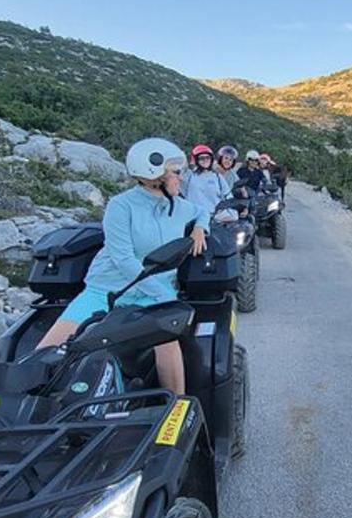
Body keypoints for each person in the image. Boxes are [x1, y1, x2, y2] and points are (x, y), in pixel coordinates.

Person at [37, 137, 208, 394]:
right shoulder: (121, 205)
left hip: (154, 293)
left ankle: (176, 404)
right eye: (176, 173)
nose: (180, 178)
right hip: (107, 290)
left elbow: (201, 212)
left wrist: (199, 229)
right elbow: (123, 259)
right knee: (46, 352)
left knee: (168, 344)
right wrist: (165, 296)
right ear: (155, 176)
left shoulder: (180, 206)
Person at [181, 143, 231, 219]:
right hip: (193, 218)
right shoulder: (189, 175)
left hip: (214, 219)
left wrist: (231, 213)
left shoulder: (217, 177)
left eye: (208, 158)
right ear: (195, 160)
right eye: (201, 158)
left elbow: (228, 197)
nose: (205, 160)